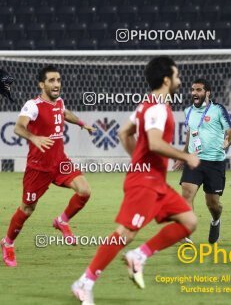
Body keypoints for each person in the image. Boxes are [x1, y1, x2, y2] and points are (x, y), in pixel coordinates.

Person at [71, 56, 200, 304]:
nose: (179, 79)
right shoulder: (158, 108)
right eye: (177, 75)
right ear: (166, 79)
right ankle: (84, 282)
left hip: (155, 182)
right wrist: (185, 156)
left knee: (189, 221)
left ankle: (139, 256)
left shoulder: (146, 105)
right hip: (144, 183)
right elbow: (153, 142)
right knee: (125, 234)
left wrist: (139, 161)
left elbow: (123, 132)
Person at [1, 65, 95, 267]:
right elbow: (18, 127)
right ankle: (7, 243)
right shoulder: (32, 105)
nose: (56, 84)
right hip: (38, 168)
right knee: (27, 209)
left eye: (58, 80)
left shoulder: (59, 102)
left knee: (85, 190)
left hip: (61, 163)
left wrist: (81, 123)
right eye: (52, 80)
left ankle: (62, 221)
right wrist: (34, 138)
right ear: (41, 84)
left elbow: (64, 112)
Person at [174, 78, 231, 244]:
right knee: (186, 193)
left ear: (207, 93)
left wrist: (226, 142)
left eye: (199, 90)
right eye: (193, 89)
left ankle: (215, 220)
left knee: (213, 204)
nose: (194, 93)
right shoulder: (188, 111)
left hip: (215, 162)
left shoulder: (218, 110)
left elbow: (230, 131)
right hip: (194, 160)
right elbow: (190, 133)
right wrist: (184, 154)